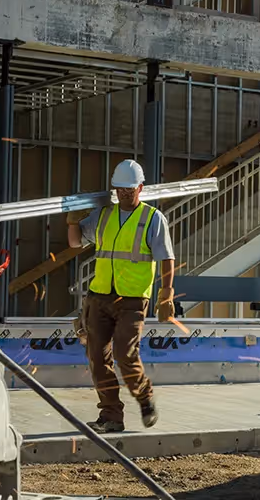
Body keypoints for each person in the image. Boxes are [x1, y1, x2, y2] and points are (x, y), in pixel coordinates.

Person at [66, 160, 177, 432]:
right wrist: (71, 220)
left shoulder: (153, 218)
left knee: (125, 355)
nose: (125, 194)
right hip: (100, 295)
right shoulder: (103, 215)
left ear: (140, 187)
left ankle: (144, 397)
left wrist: (166, 295)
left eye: (130, 189)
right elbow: (74, 242)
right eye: (120, 189)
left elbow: (166, 258)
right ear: (114, 188)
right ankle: (111, 416)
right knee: (97, 358)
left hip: (133, 299)